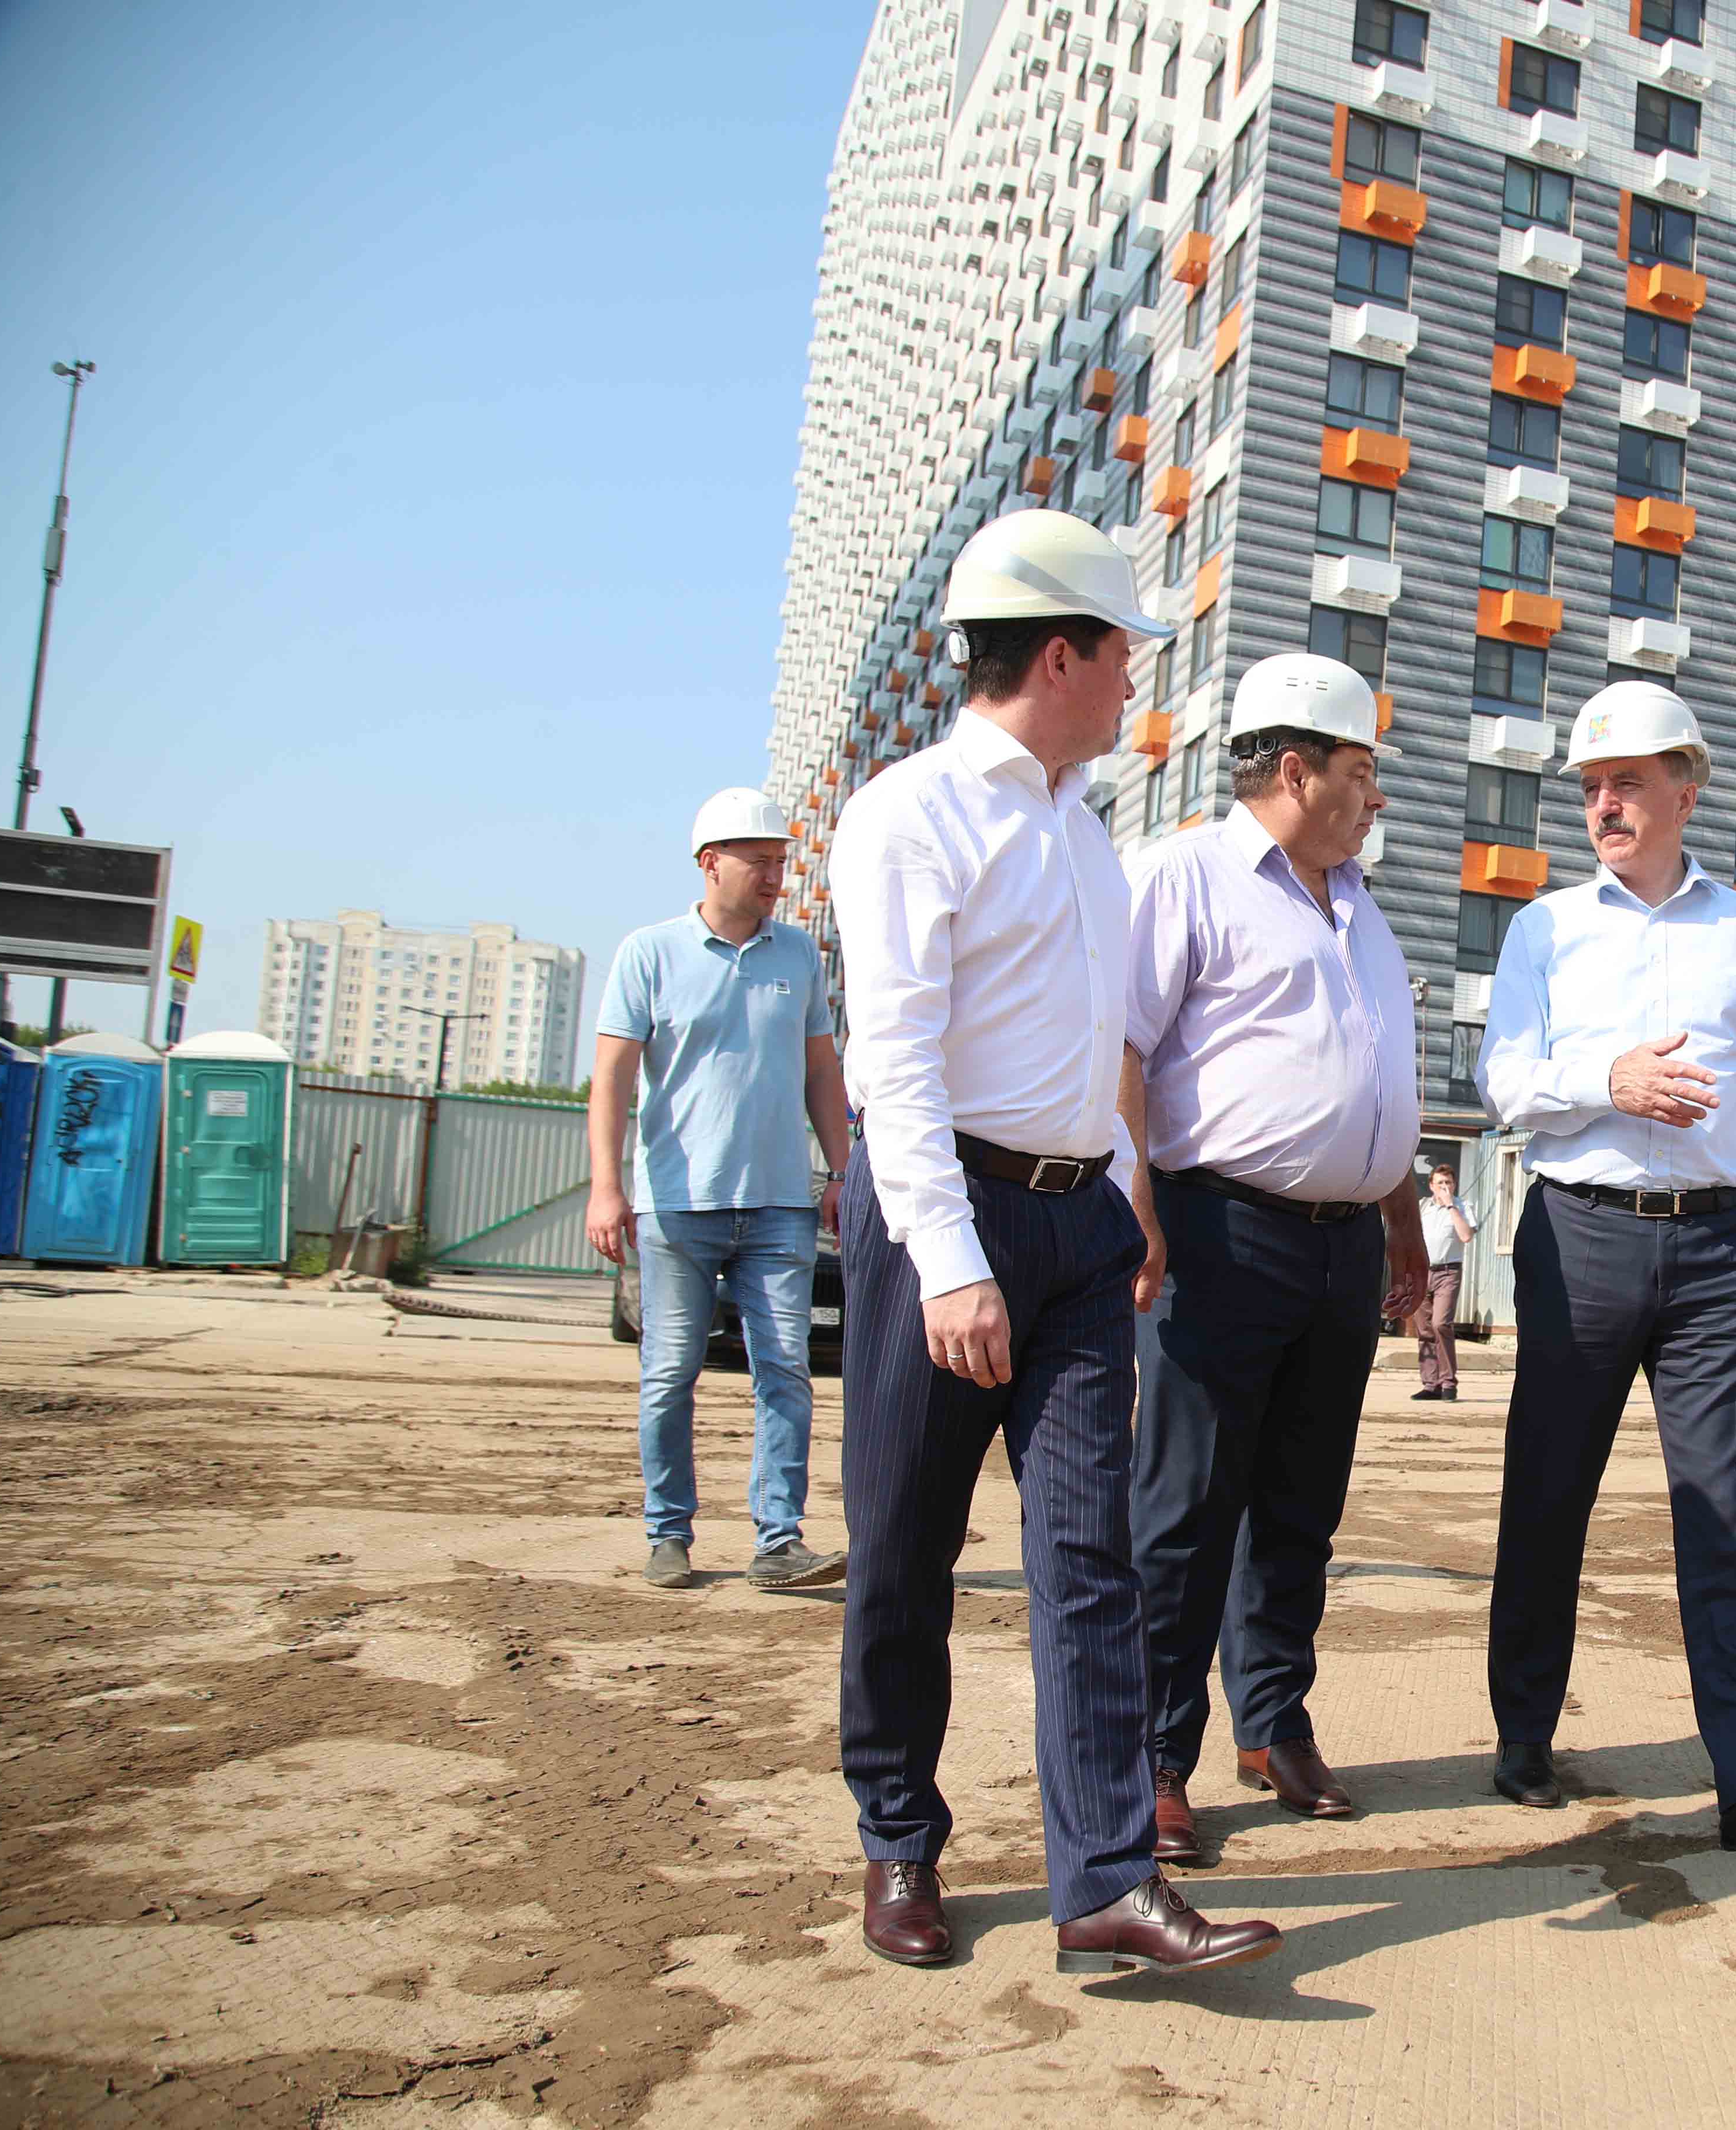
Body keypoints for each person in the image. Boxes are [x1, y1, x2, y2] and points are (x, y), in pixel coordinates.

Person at [828, 507, 1280, 1977]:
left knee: (1090, 1558)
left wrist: (1126, 1192)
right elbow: (893, 1062)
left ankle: (1104, 1882)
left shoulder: (1087, 833)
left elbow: (1090, 1049)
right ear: (1063, 656)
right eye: (1123, 653)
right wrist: (952, 1263)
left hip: (1079, 1229)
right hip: (940, 1219)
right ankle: (900, 1837)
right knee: (905, 1550)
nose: (1138, 678)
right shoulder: (909, 815)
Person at [1475, 680, 1736, 1860]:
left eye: (1627, 782)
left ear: (1686, 789)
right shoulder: (1544, 929)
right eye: (1591, 787)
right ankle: (1525, 1732)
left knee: (1725, 1514)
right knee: (1548, 1492)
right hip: (1580, 1235)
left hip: (1724, 1252)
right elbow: (1504, 1080)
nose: (1604, 805)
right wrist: (1609, 1082)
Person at [1120, 652, 1428, 1866]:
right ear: (1295, 770)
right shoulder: (1186, 878)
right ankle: (1153, 1754)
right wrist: (1135, 1206)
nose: (1376, 796)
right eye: (1361, 771)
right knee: (1187, 1508)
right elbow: (1123, 1049)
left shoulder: (1361, 909)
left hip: (1342, 1248)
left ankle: (1273, 1719)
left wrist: (1403, 1229)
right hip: (1218, 1234)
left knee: (1300, 1502)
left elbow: (1378, 1082)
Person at [585, 787, 850, 1593]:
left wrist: (842, 1173)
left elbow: (821, 1072)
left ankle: (779, 1543)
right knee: (670, 1374)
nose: (775, 877)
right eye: (760, 862)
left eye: (781, 862)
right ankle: (668, 1532)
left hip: (780, 1207)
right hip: (677, 1207)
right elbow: (612, 1077)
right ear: (711, 863)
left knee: (787, 1374)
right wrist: (606, 1188)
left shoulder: (798, 956)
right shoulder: (649, 953)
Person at [1413, 1166, 1474, 1401]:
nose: (1444, 1187)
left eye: (1448, 1182)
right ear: (1432, 1186)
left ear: (1454, 1185)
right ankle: (1431, 1385)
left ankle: (1448, 1382)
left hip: (1448, 1272)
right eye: (1440, 1183)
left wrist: (1450, 1206)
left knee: (1441, 1324)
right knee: (1424, 1329)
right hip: (1422, 1271)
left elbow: (1466, 1236)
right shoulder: (1423, 1207)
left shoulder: (1462, 1207)